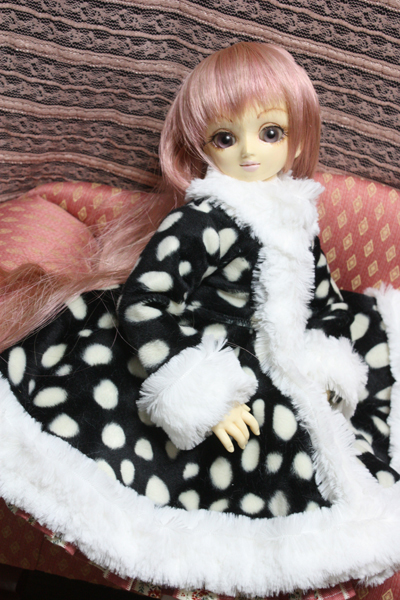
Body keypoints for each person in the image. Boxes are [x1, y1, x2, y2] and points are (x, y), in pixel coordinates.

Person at [0, 42, 400, 596]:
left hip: (275, 344)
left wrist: (329, 359)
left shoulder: (296, 215)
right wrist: (196, 390)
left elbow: (324, 299)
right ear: (201, 145)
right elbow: (145, 299)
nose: (250, 152)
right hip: (204, 347)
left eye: (270, 132)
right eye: (226, 138)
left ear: (297, 138)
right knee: (273, 443)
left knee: (367, 353)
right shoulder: (206, 218)